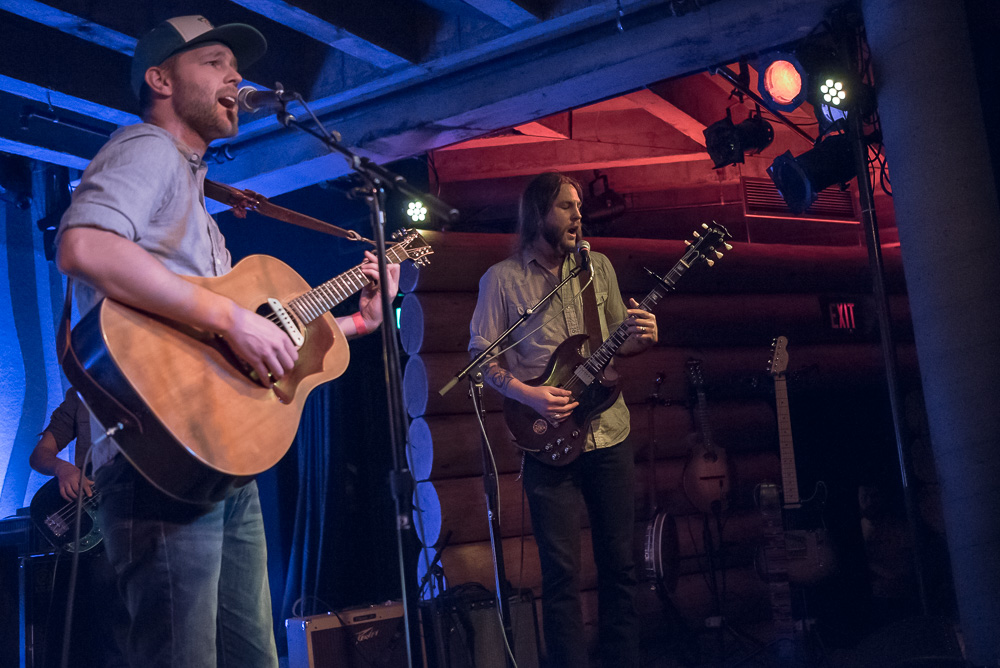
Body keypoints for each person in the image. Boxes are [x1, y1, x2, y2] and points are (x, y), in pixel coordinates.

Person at [54, 15, 398, 668]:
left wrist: (358, 322)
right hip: (157, 463)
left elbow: (248, 338)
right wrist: (231, 320)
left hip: (216, 462)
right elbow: (84, 245)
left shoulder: (200, 207)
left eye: (236, 67)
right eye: (214, 62)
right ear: (160, 78)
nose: (236, 77)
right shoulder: (147, 148)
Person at [468, 172, 658, 667]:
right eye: (566, 207)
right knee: (561, 576)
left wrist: (645, 334)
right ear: (537, 215)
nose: (579, 216)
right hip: (547, 444)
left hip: (609, 434)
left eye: (579, 207)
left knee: (620, 566)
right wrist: (530, 395)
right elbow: (482, 360)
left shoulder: (599, 268)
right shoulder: (503, 280)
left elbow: (622, 342)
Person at [29, 388, 130, 667]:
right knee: (108, 629)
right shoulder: (80, 395)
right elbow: (40, 454)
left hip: (139, 518)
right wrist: (63, 469)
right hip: (98, 529)